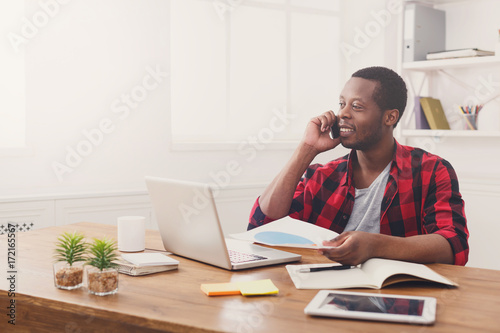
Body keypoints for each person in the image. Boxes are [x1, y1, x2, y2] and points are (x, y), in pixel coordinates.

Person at [248, 66, 469, 266]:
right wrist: (307, 149)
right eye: (342, 104)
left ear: (390, 117)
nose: (342, 113)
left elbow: (453, 245)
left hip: (399, 296)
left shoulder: (432, 170)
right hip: (319, 291)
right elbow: (262, 227)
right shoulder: (322, 176)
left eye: (356, 106)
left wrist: (375, 245)